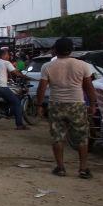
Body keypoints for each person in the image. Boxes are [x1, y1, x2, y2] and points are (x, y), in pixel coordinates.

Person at [34, 37, 96, 179]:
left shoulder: (48, 66)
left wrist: (39, 105)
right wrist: (92, 105)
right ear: (73, 49)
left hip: (56, 104)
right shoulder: (82, 65)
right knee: (81, 137)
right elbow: (89, 87)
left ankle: (60, 167)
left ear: (55, 50)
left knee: (58, 137)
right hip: (77, 104)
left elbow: (41, 88)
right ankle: (83, 168)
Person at [0, 49, 30, 130]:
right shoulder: (6, 63)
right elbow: (16, 73)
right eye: (7, 55)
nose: (8, 57)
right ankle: (19, 124)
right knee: (17, 103)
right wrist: (27, 77)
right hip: (1, 86)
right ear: (3, 56)